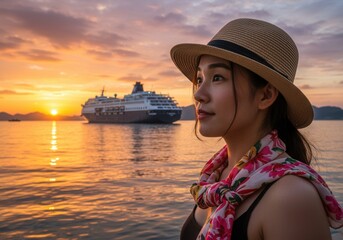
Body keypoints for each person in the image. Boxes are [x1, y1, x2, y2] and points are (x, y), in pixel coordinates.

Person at [170, 18, 343, 240]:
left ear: (266, 95)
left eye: (217, 78)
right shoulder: (214, 181)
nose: (198, 94)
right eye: (200, 78)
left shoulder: (290, 198)